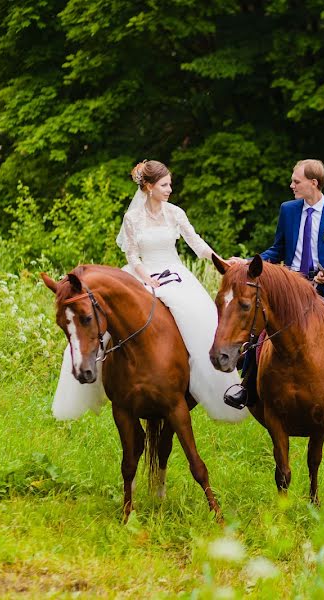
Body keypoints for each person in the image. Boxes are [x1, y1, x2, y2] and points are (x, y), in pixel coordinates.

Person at [51, 160, 247, 423]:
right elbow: (133, 255)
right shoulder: (132, 218)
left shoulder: (175, 213)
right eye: (165, 185)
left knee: (202, 316)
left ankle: (198, 378)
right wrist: (147, 279)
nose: (169, 190)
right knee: (106, 319)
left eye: (170, 185)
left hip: (175, 274)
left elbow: (196, 243)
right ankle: (97, 371)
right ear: (149, 187)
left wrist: (221, 261)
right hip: (142, 275)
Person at [229, 159, 324, 417]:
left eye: (296, 181)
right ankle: (247, 386)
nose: (291, 185)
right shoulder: (288, 210)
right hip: (291, 288)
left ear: (313, 183)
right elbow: (277, 249)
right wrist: (249, 262)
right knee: (259, 328)